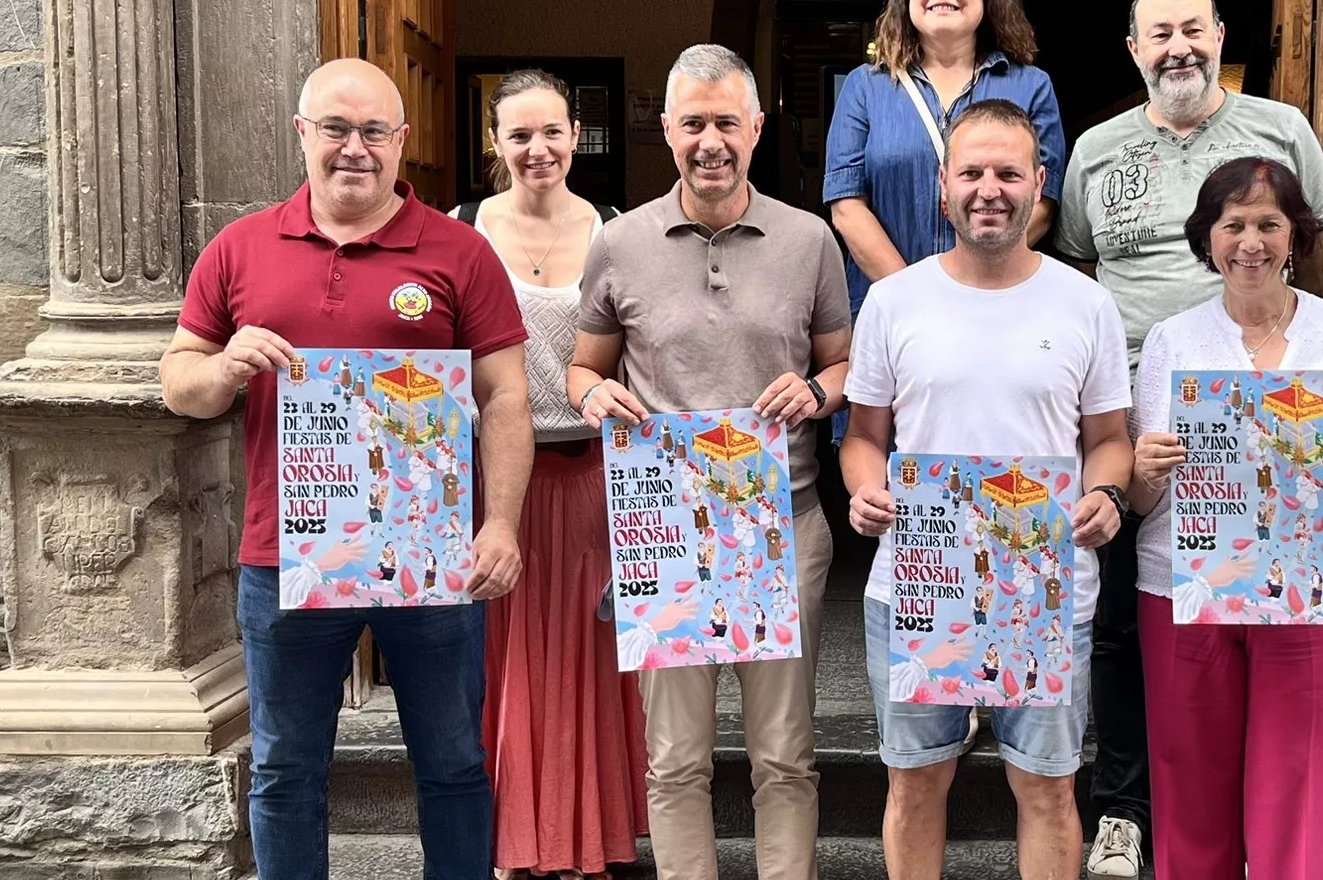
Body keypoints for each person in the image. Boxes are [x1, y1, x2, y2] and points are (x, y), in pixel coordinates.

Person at [161, 58, 533, 878]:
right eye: (335, 128)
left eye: (373, 131)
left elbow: (506, 395)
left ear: (401, 140)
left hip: (431, 554)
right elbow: (179, 381)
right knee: (285, 767)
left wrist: (501, 523)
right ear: (303, 133)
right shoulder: (239, 248)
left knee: (454, 763)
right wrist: (224, 367)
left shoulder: (460, 252)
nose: (354, 148)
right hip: (287, 553)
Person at [1054, 0, 1323, 878]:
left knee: (1253, 618)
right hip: (1126, 416)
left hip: (1259, 425)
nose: (1178, 47)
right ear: (1133, 50)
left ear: (1220, 35)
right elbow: (1077, 273)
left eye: (1193, 29)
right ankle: (1125, 809)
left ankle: (1250, 814)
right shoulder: (1096, 150)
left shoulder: (1282, 129)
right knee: (1125, 619)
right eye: (1159, 34)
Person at [570, 44, 851, 880]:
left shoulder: (810, 240)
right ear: (667, 128)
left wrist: (819, 392)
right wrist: (593, 395)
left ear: (757, 127)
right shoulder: (619, 242)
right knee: (676, 757)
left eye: (727, 122)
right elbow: (584, 366)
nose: (710, 141)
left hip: (783, 526)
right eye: (693, 123)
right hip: (669, 532)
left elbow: (844, 364)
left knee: (785, 754)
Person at [841, 99, 1133, 880]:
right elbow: (864, 436)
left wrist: (1106, 495)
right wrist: (866, 490)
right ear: (943, 186)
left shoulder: (1085, 303)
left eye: (1008, 173)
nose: (989, 190)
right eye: (971, 173)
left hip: (1045, 586)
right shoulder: (894, 301)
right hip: (918, 584)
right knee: (915, 783)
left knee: (1047, 788)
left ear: (1040, 182)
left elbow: (1110, 439)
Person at [1122, 157, 1323, 879]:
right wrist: (1144, 472)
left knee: (1301, 792)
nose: (1251, 242)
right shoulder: (1172, 339)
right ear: (1208, 238)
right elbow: (1143, 500)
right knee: (1189, 788)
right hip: (1185, 586)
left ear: (1296, 235)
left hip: (1312, 588)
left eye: (1269, 224)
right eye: (1233, 224)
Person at [452, 69, 645, 880]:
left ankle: (583, 840)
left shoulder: (617, 232)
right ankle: (513, 840)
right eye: (520, 135)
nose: (539, 149)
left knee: (586, 662)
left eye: (552, 132)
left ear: (576, 135)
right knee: (504, 664)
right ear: (494, 143)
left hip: (591, 475)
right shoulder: (461, 230)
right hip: (496, 483)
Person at [825, 0, 1066, 322]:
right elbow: (847, 208)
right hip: (890, 313)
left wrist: (974, 285)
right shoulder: (864, 87)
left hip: (997, 308)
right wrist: (917, 298)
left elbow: (1042, 204)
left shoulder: (1031, 86)